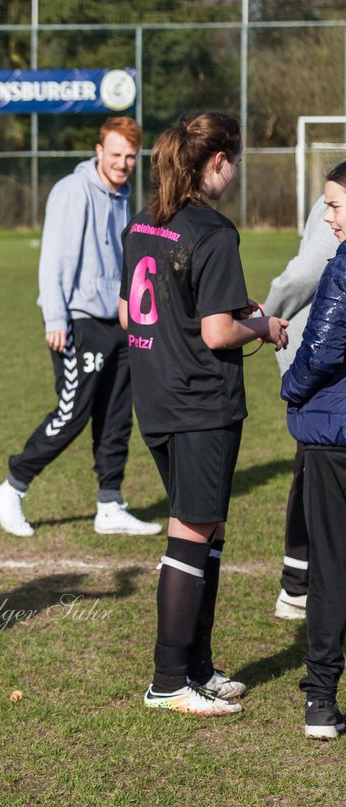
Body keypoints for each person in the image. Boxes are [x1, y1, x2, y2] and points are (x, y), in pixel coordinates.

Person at [119, 111, 288, 717]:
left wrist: (224, 307)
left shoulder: (145, 221)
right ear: (217, 161)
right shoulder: (213, 232)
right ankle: (168, 680)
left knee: (206, 528)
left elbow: (129, 314)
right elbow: (218, 334)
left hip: (157, 397)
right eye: (235, 160)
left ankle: (197, 667)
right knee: (192, 531)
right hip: (200, 403)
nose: (235, 172)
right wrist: (262, 325)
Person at [0, 117, 162, 538]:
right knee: (72, 414)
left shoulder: (120, 193)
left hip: (117, 321)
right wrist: (55, 317)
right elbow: (55, 258)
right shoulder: (73, 190)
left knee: (116, 416)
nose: (122, 164)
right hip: (78, 323)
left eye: (130, 157)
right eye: (115, 154)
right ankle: (12, 488)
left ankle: (109, 504)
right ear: (98, 151)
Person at [280, 160, 346, 740]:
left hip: (334, 439)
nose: (327, 216)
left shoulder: (342, 267)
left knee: (329, 568)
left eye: (334, 206)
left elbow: (320, 346)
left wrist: (291, 388)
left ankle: (321, 700)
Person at [263, 195, 338, 620]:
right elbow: (304, 273)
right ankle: (297, 583)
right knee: (314, 465)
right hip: (319, 359)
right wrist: (263, 319)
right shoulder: (338, 192)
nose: (331, 215)